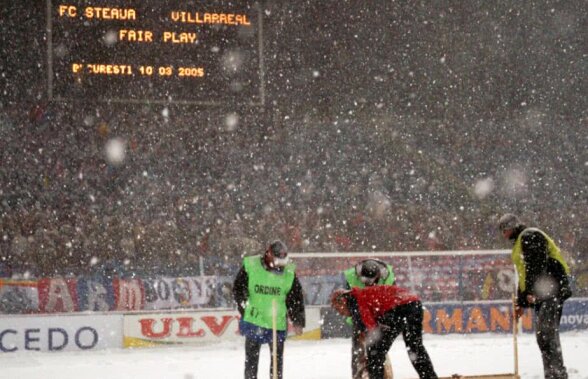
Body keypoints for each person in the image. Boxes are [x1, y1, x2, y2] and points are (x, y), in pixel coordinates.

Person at [498, 213, 572, 379]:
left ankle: (557, 374)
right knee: (544, 336)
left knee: (546, 334)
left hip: (550, 290)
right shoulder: (520, 242)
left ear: (510, 228)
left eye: (503, 230)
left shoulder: (530, 236)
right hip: (543, 292)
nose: (503, 235)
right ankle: (553, 373)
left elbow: (536, 266)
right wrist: (521, 302)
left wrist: (532, 292)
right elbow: (523, 275)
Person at [233, 240, 305, 379]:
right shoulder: (251, 266)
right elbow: (238, 288)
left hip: (277, 322)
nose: (280, 265)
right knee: (251, 362)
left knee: (277, 363)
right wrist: (244, 307)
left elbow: (295, 298)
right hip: (255, 320)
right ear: (269, 254)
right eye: (278, 260)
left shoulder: (289, 272)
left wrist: (297, 320)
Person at [330, 285, 438, 379]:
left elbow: (371, 329)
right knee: (414, 347)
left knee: (374, 351)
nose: (340, 313)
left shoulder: (355, 303)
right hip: (414, 303)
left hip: (398, 308)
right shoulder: (360, 295)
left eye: (338, 309)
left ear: (343, 301)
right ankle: (429, 376)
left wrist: (367, 357)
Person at [343, 259, 395, 379]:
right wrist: (361, 323)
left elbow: (391, 302)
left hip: (379, 315)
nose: (368, 284)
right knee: (358, 349)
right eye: (365, 281)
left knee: (380, 348)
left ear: (378, 276)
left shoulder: (388, 279)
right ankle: (358, 375)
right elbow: (351, 304)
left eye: (371, 281)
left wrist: (383, 321)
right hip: (359, 315)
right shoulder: (351, 278)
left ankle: (382, 374)